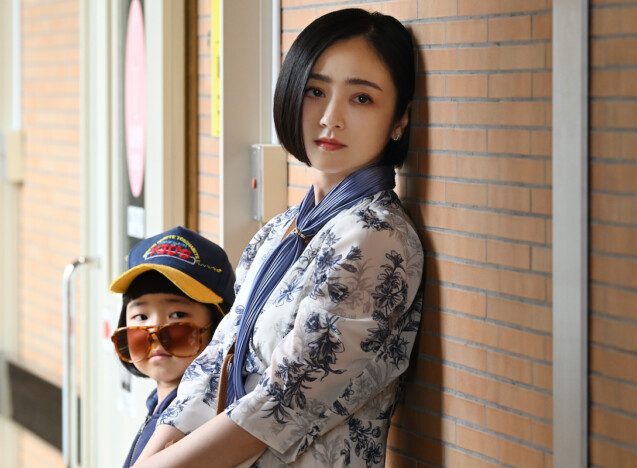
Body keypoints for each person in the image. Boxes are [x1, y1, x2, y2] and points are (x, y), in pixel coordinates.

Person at [134, 8, 424, 467]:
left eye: (361, 98)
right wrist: (149, 453)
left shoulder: (376, 239)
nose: (330, 118)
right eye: (315, 91)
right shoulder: (281, 231)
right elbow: (216, 359)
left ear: (399, 119)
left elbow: (281, 404)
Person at [109, 226, 235, 467]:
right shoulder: (159, 400)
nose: (155, 333)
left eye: (177, 314)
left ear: (220, 325)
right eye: (141, 317)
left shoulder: (193, 413)